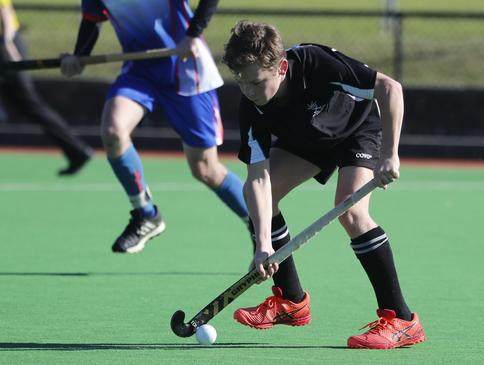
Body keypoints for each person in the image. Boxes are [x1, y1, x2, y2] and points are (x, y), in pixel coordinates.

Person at [222, 20, 426, 349]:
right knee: (261, 194)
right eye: (241, 82)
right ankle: (291, 302)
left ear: (282, 67)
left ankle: (401, 319)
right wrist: (263, 245)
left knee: (351, 211)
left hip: (355, 129)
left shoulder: (316, 63)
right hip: (305, 139)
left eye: (256, 82)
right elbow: (257, 177)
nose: (248, 91)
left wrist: (391, 155)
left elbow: (390, 88)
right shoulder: (251, 105)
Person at [60, 0, 251, 254]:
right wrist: (79, 56)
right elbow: (92, 19)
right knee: (113, 131)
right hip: (139, 72)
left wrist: (193, 34)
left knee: (206, 169)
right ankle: (146, 214)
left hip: (186, 67)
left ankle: (262, 225)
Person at [0, 0, 93, 175]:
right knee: (26, 106)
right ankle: (76, 151)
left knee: (30, 104)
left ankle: (77, 150)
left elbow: (4, 12)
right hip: (6, 46)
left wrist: (8, 47)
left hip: (6, 47)